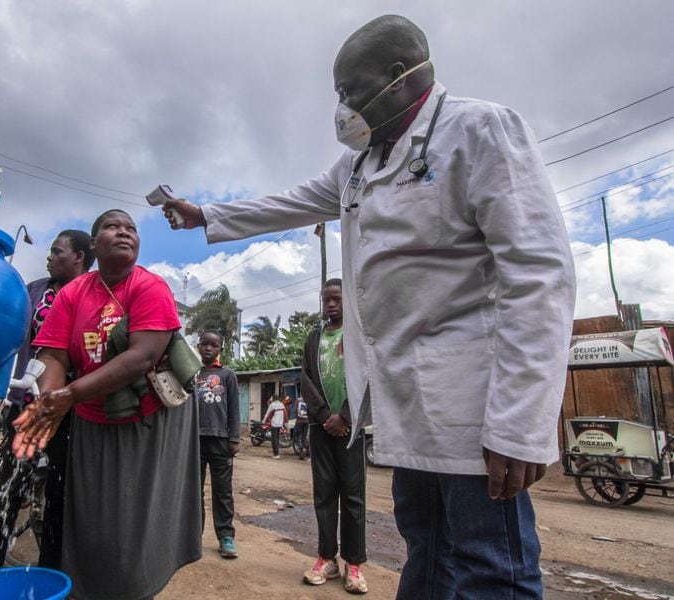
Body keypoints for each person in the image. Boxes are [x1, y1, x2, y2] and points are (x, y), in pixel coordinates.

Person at [164, 14, 576, 597]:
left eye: (347, 90)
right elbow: (293, 201)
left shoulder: (479, 130)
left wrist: (520, 424)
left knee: (490, 569)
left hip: (477, 409)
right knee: (426, 551)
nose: (341, 106)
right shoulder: (358, 166)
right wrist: (208, 214)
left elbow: (539, 274)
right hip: (408, 405)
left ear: (398, 75)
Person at [12, 209, 201, 600]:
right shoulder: (73, 293)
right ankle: (89, 589)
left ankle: (138, 588)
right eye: (113, 227)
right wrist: (50, 397)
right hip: (91, 418)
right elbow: (53, 354)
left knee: (136, 522)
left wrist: (70, 394)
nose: (124, 232)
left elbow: (142, 357)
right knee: (94, 520)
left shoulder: (150, 286)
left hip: (145, 420)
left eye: (131, 227)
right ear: (94, 243)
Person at [0, 229, 94, 572]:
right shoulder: (35, 291)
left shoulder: (93, 294)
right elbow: (10, 334)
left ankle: (52, 568)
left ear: (79, 257)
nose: (49, 256)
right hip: (26, 402)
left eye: (57, 251)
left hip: (71, 409)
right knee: (12, 482)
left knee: (60, 489)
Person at [301, 279, 367, 593]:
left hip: (351, 428)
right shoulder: (314, 337)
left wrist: (346, 416)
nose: (331, 304)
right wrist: (327, 417)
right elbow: (306, 379)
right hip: (321, 426)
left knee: (353, 496)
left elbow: (364, 377)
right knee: (324, 494)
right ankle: (326, 558)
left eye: (337, 299)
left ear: (348, 300)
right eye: (326, 299)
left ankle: (353, 565)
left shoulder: (358, 335)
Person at [194, 330, 241, 559]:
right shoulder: (192, 373)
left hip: (221, 442)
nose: (208, 349)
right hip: (195, 441)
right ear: (198, 345)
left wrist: (234, 438)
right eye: (204, 344)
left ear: (220, 349)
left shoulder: (227, 375)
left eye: (213, 345)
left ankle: (226, 536)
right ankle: (194, 537)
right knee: (194, 491)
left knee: (223, 492)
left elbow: (234, 408)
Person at [262, 395, 285, 459]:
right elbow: (284, 414)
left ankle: (276, 454)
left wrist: (263, 421)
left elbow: (267, 413)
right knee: (277, 438)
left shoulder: (272, 405)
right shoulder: (282, 404)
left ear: (273, 399)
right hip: (280, 424)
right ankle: (277, 452)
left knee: (274, 439)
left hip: (274, 424)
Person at [293, 395, 309, 460]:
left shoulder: (298, 400)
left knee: (295, 435)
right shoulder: (308, 400)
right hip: (307, 421)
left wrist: (297, 417)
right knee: (304, 437)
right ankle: (304, 450)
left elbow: (295, 410)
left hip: (299, 421)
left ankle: (301, 448)